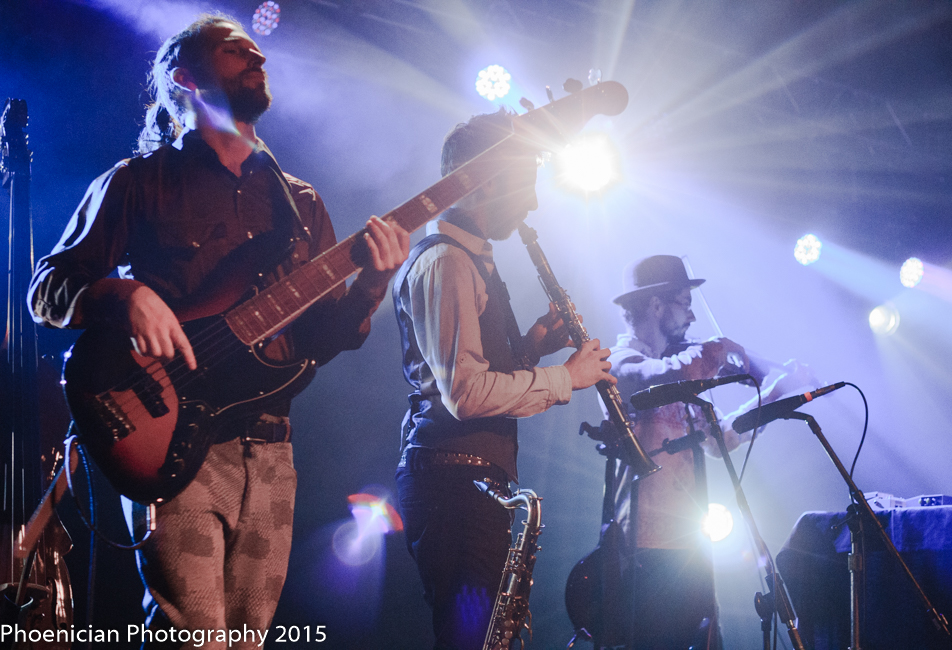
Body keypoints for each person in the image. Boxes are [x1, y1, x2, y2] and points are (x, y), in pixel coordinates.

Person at [28, 14, 409, 648]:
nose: (255, 55)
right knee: (194, 637)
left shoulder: (300, 201)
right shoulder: (138, 183)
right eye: (234, 49)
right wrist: (120, 294)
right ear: (185, 77)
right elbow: (46, 290)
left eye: (257, 50)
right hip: (172, 435)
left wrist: (374, 283)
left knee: (250, 639)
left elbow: (326, 336)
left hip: (273, 447)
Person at [392, 110, 616, 650]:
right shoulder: (446, 262)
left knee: (483, 634)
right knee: (469, 637)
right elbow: (466, 393)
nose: (533, 204)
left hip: (469, 482)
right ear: (487, 182)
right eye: (526, 186)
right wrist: (565, 376)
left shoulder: (472, 261)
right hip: (452, 484)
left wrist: (535, 343)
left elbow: (477, 371)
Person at [599, 255, 812, 649]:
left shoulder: (681, 370)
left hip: (691, 544)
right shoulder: (619, 364)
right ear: (656, 305)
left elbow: (717, 442)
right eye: (685, 303)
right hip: (643, 548)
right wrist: (717, 350)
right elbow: (664, 378)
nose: (692, 318)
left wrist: (779, 392)